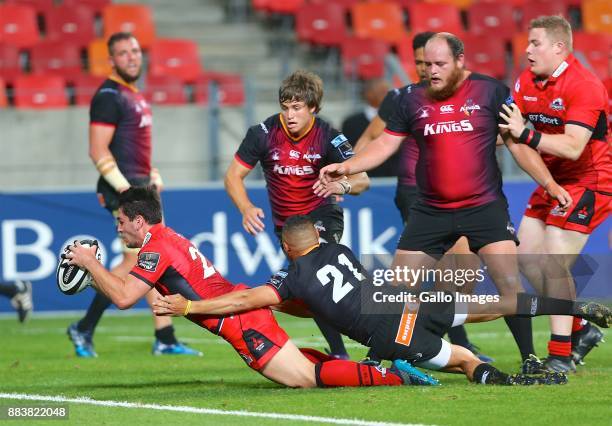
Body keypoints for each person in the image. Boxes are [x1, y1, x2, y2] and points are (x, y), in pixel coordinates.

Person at [316, 32, 574, 371]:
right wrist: (345, 167)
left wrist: (549, 183)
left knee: (510, 286)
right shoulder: (409, 98)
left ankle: (529, 357)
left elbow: (517, 144)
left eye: (440, 64)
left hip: (484, 208)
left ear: (460, 60)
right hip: (432, 210)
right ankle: (378, 359)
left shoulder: (491, 91)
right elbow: (384, 145)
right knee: (396, 288)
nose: (432, 71)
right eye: (426, 65)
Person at [154, 216, 610, 384]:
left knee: (466, 361)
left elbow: (246, 299)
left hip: (394, 334)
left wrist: (189, 307)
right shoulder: (338, 249)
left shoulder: (293, 277)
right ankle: (572, 310)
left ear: (288, 249)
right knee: (497, 303)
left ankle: (506, 381)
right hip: (410, 302)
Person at [64, 186, 441, 388]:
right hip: (241, 313)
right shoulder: (163, 238)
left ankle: (394, 375)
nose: (117, 228)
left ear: (140, 221)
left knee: (306, 382)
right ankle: (372, 368)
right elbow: (126, 287)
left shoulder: (156, 247)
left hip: (239, 319)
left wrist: (89, 261)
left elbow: (125, 297)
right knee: (299, 371)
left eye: (120, 221)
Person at [353, 31, 493, 364]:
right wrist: (351, 171)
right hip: (417, 196)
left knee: (455, 274)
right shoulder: (403, 98)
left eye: (429, 61)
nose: (423, 68)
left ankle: (425, 339)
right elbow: (373, 136)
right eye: (418, 62)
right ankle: (422, 342)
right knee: (433, 272)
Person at [66, 32, 200, 358]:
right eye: (123, 53)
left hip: (141, 187)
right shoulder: (109, 95)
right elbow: (98, 151)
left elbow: (135, 148)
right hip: (125, 191)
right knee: (139, 261)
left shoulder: (134, 94)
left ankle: (163, 336)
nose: (131, 57)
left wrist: (152, 174)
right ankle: (85, 327)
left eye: (135, 51)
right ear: (111, 60)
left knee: (151, 258)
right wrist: (126, 190)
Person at [224, 70, 370, 359]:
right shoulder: (262, 134)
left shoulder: (329, 136)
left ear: (313, 107)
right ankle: (343, 349)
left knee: (317, 279)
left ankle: (354, 345)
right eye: (285, 107)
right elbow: (232, 177)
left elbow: (362, 180)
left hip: (321, 218)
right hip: (287, 228)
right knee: (311, 290)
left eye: (297, 107)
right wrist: (246, 207)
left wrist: (341, 183)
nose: (290, 115)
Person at [499, 15, 611, 372]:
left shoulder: (584, 85)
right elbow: (510, 136)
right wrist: (546, 180)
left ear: (559, 47)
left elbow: (574, 146)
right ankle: (580, 328)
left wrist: (526, 134)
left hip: (591, 179)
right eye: (528, 43)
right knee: (528, 258)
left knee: (553, 261)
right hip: (554, 178)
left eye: (536, 43)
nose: (527, 50)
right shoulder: (525, 82)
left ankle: (560, 356)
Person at [341, 78, 398, 177]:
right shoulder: (351, 123)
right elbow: (347, 153)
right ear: (368, 94)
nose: (387, 96)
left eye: (388, 92)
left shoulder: (399, 119)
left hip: (394, 180)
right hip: (364, 180)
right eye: (382, 92)